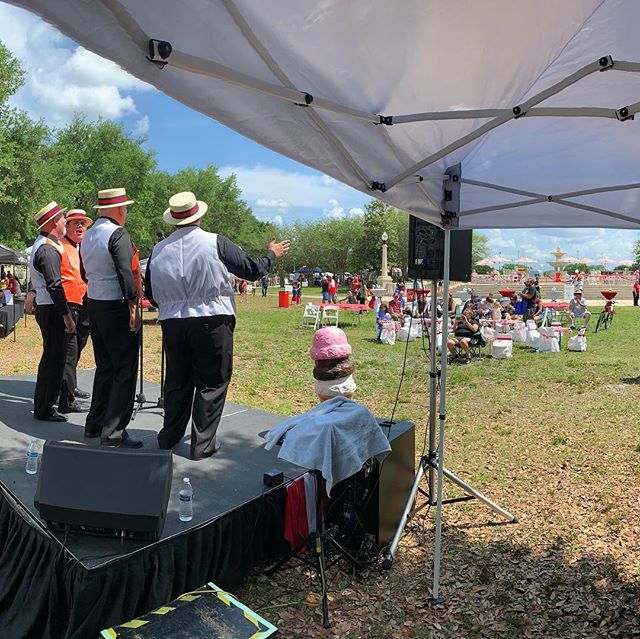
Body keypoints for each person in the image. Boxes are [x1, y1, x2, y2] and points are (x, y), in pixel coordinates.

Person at [145, 192, 290, 460]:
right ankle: (202, 444)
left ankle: (169, 436)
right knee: (212, 381)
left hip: (173, 321)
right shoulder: (215, 242)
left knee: (177, 380)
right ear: (199, 216)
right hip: (212, 317)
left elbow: (151, 293)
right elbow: (250, 269)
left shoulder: (158, 250)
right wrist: (271, 254)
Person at [80, 188, 142, 448]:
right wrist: (132, 304)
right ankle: (114, 431)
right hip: (116, 304)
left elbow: (84, 273)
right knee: (125, 368)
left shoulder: (88, 235)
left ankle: (95, 423)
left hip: (95, 302)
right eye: (125, 208)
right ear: (120, 210)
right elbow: (126, 272)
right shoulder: (117, 233)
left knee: (105, 366)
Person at [28, 202, 76, 422]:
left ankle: (44, 405)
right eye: (62, 217)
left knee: (51, 357)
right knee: (54, 359)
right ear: (53, 222)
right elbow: (55, 285)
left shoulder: (43, 245)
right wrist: (66, 315)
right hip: (52, 309)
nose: (65, 220)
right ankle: (44, 407)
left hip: (47, 307)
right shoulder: (47, 248)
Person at [58, 209, 93, 413]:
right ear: (67, 227)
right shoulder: (61, 247)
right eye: (75, 223)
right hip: (70, 305)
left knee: (78, 347)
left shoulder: (85, 247)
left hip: (85, 304)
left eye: (83, 223)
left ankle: (71, 385)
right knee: (68, 352)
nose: (80, 226)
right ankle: (65, 396)